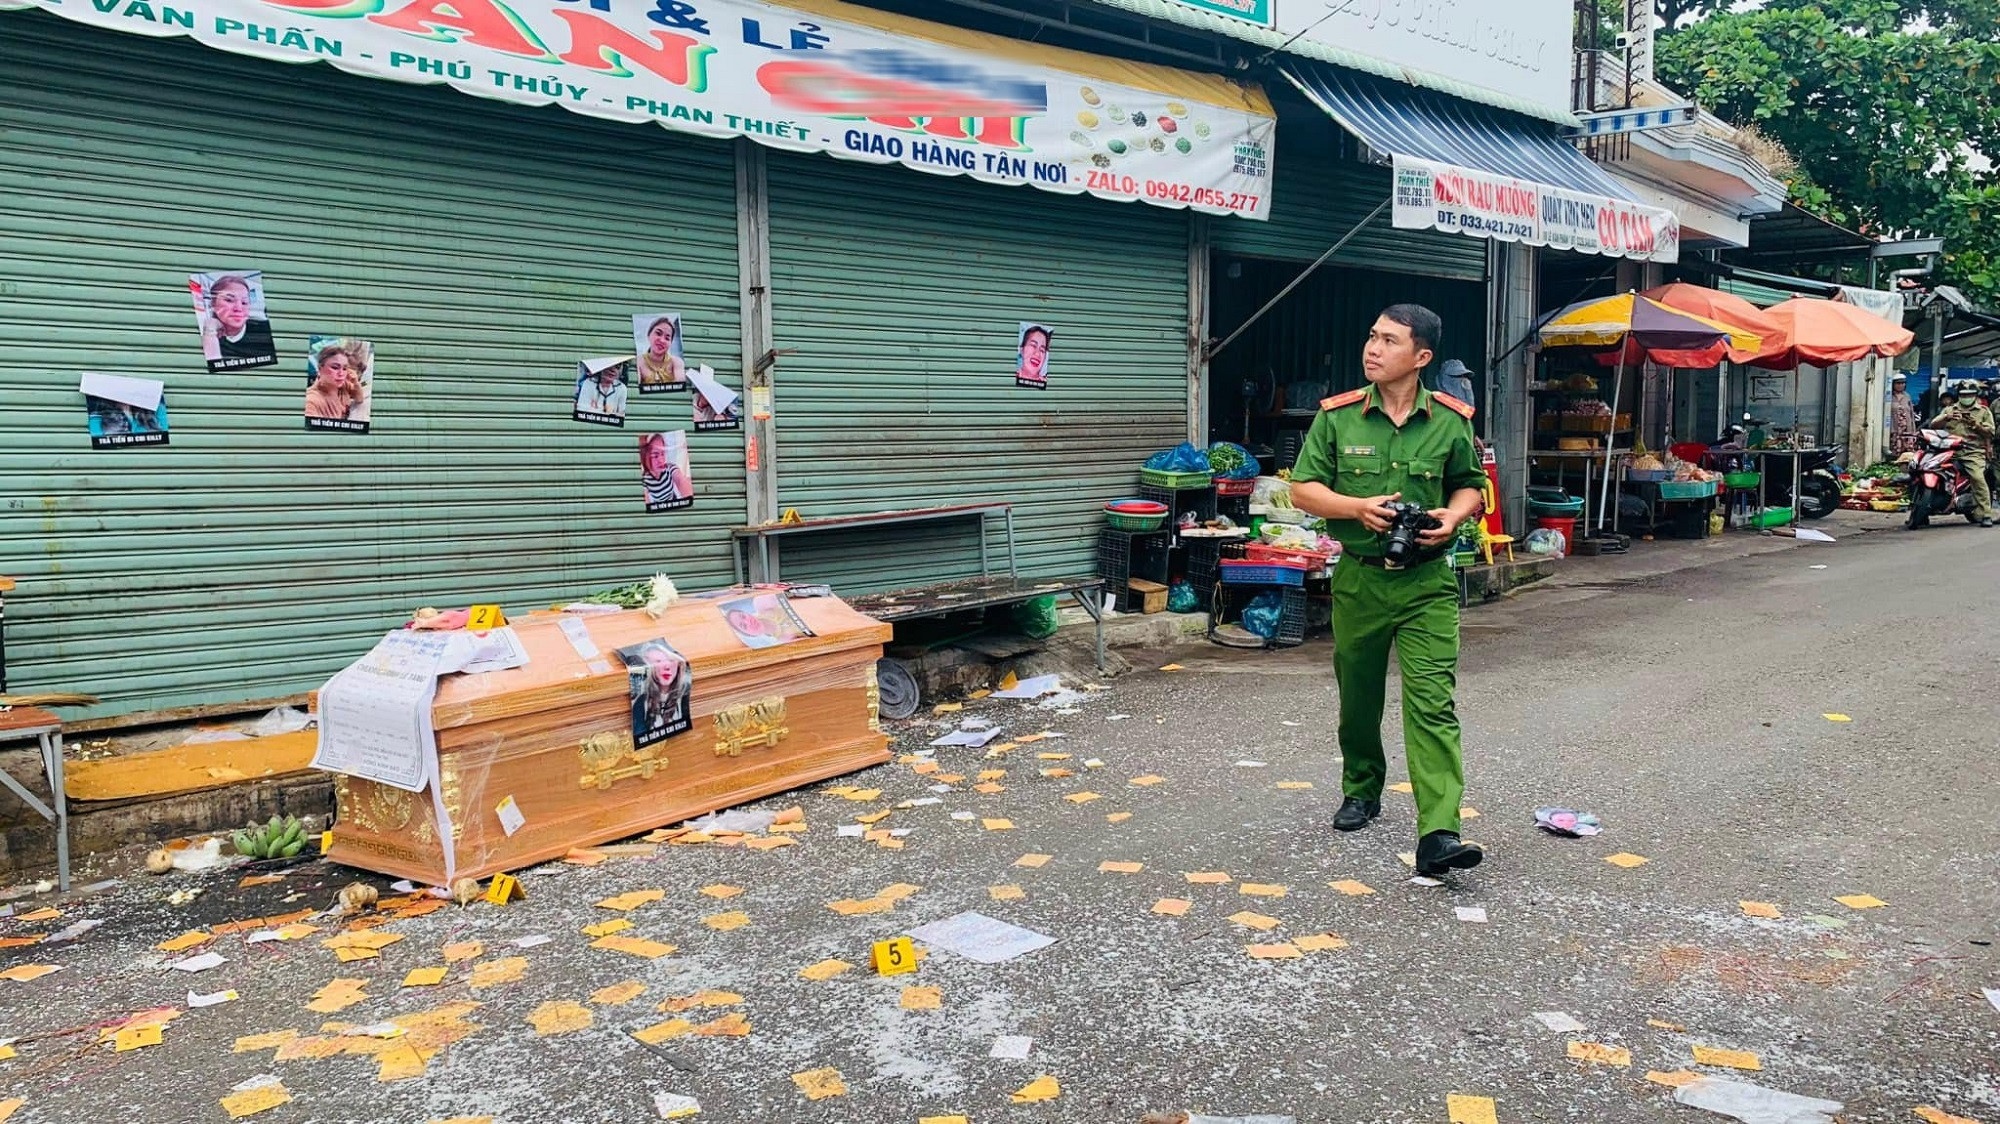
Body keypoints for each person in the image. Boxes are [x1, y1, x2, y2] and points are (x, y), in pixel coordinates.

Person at [1287, 303, 1489, 878]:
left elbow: (1469, 486)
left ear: (1420, 357)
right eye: (1371, 337)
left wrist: (1452, 520)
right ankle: (1361, 787)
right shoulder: (1338, 417)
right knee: (1359, 698)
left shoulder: (1451, 420)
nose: (1372, 349)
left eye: (1389, 341)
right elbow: (1303, 489)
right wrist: (1357, 508)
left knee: (1432, 704)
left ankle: (1439, 833)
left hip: (1427, 583)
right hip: (1359, 578)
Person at [1926, 381, 1995, 526]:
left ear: (1975, 395)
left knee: (1977, 477)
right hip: (1948, 450)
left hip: (1972, 452)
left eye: (1970, 394)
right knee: (1924, 469)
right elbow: (1933, 425)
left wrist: (1976, 426)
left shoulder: (1983, 411)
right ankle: (1919, 510)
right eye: (1964, 395)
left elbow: (1990, 433)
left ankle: (1986, 513)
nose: (1966, 397)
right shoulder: (1950, 410)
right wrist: (1947, 417)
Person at [199, 274, 275, 364]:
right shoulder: (206, 336)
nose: (238, 308)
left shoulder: (265, 331)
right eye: (229, 300)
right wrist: (210, 333)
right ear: (213, 304)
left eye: (244, 302)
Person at [629, 642, 688, 736]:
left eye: (670, 660)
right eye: (658, 662)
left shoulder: (685, 697)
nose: (666, 667)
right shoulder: (641, 703)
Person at [305, 343, 362, 420]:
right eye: (335, 367)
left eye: (345, 368)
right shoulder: (311, 401)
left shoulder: (343, 385)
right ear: (320, 368)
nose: (341, 373)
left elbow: (359, 399)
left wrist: (355, 382)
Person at [637, 317, 686, 388]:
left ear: (670, 343)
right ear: (648, 335)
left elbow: (680, 386)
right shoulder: (639, 362)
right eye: (658, 333)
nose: (662, 340)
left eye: (667, 338)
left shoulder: (677, 362)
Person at [640, 433, 686, 507]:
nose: (662, 460)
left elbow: (680, 480)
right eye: (655, 455)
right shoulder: (644, 480)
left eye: (663, 453)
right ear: (645, 458)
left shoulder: (669, 468)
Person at [1888, 375, 1919, 455]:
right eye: (1898, 383)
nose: (1900, 385)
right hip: (1894, 431)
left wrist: (1913, 431)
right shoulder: (1889, 396)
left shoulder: (1907, 396)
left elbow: (1911, 414)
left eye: (1902, 383)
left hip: (1907, 432)